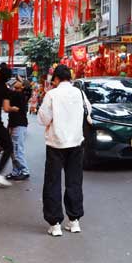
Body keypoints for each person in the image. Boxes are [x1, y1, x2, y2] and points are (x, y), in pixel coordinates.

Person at [38, 64, 92, 237]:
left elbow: (43, 118)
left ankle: (55, 224)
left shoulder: (52, 94)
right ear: (70, 77)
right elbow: (88, 112)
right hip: (76, 143)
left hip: (56, 144)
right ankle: (74, 221)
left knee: (53, 182)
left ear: (56, 79)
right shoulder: (80, 93)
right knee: (74, 181)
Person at [6, 78, 32, 181]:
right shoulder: (18, 94)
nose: (14, 81)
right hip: (14, 124)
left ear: (22, 86)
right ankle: (16, 171)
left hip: (19, 125)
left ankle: (24, 171)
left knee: (17, 150)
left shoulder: (20, 95)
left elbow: (8, 92)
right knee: (14, 150)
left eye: (17, 81)